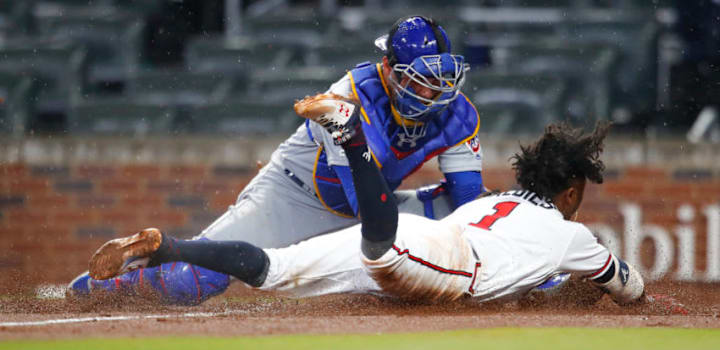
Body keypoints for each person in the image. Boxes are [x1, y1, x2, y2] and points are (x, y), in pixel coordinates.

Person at [67, 15, 485, 304]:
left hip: (376, 205)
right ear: (389, 69)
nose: (433, 94)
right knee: (192, 282)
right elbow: (364, 206)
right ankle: (93, 290)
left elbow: (467, 202)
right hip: (298, 195)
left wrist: (484, 246)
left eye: (441, 82)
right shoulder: (346, 97)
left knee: (481, 212)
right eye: (421, 81)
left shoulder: (460, 113)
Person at [85, 105, 646, 307]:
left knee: (275, 267)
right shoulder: (574, 237)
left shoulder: (494, 203)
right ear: (571, 192)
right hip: (441, 259)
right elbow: (624, 284)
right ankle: (351, 137)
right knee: (381, 244)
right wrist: (647, 300)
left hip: (432, 242)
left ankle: (168, 246)